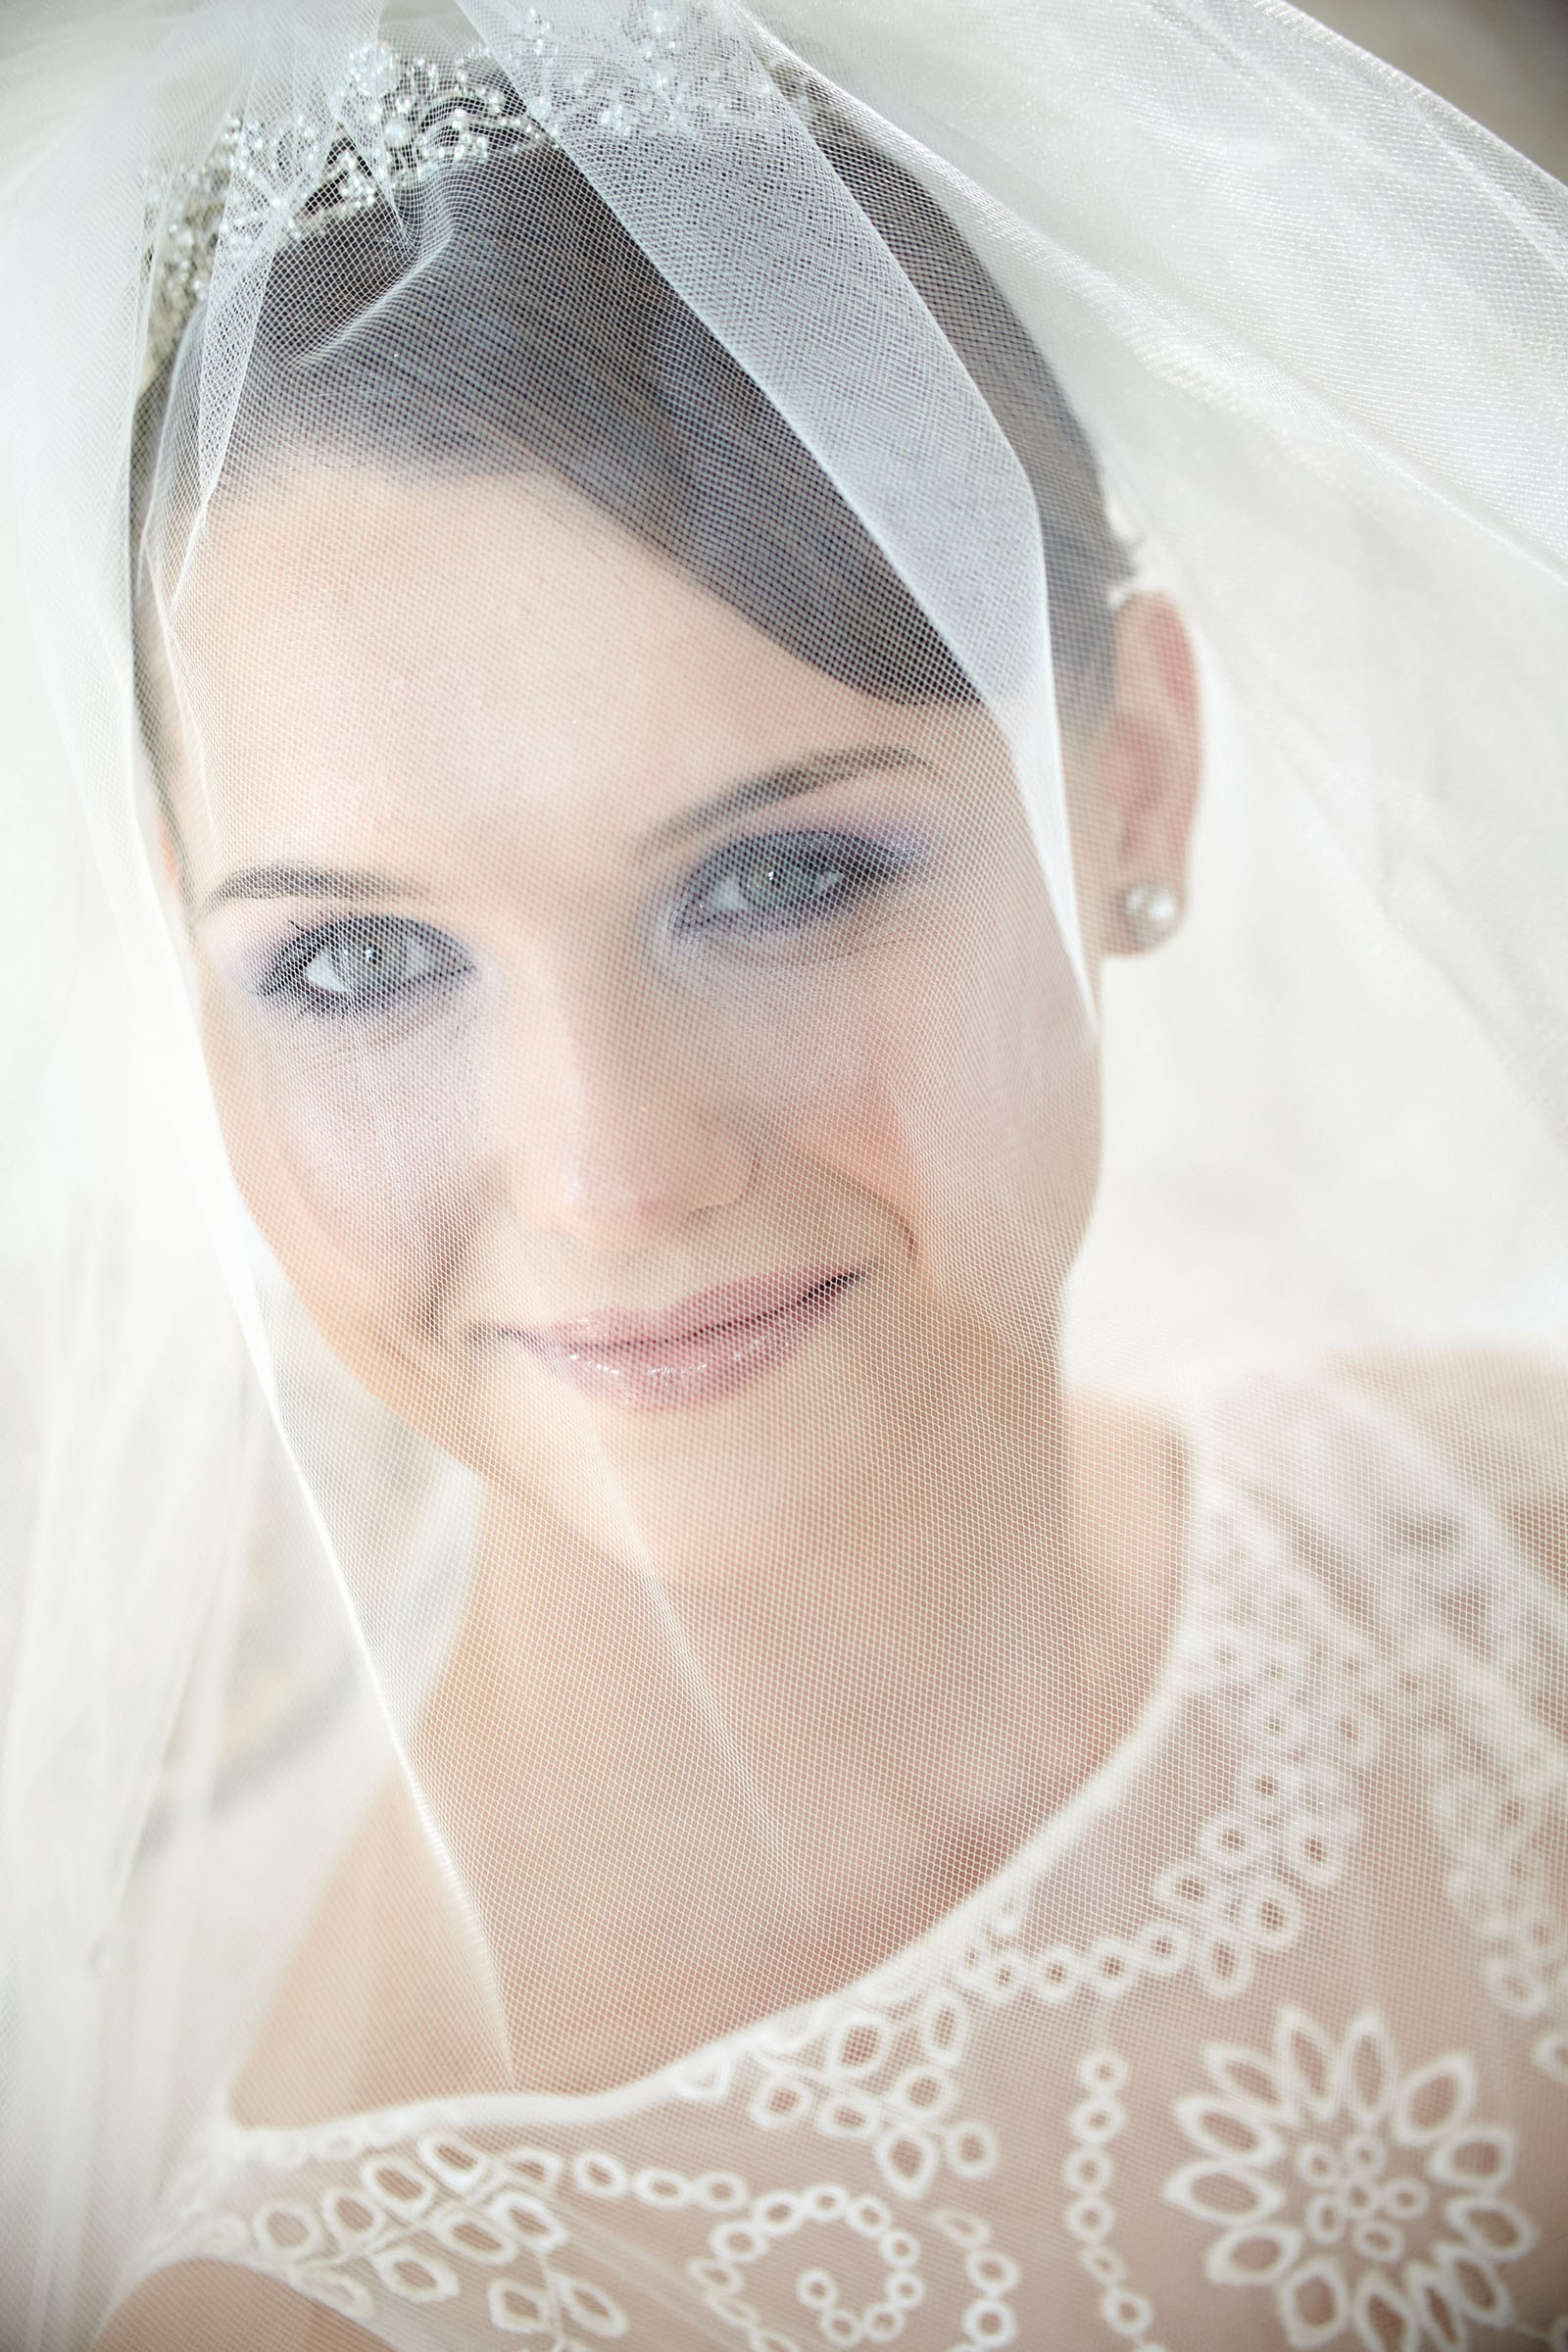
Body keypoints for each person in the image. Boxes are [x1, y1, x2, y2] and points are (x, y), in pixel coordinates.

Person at [1, 3, 1565, 2347]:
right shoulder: (317, 2319)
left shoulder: (1520, 1568)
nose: (608, 1169)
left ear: (1126, 781)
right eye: (353, 960)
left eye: (777, 880)